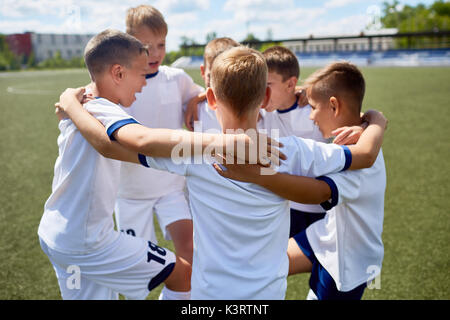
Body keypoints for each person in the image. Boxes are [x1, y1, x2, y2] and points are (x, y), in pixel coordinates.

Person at [57, 47, 387, 299]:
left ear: (211, 99)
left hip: (209, 294)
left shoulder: (191, 153)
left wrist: (75, 106)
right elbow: (364, 155)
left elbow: (108, 145)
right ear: (267, 96)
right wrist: (374, 119)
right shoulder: (292, 151)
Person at [39, 30, 276, 300]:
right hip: (88, 242)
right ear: (118, 73)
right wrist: (222, 142)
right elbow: (143, 139)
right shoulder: (101, 108)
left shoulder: (81, 106)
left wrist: (70, 102)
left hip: (59, 233)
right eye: (141, 74)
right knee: (182, 275)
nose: (143, 84)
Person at [215, 61, 387, 300]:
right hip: (324, 235)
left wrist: (256, 176)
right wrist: (374, 119)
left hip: (347, 260)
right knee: (259, 264)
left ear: (334, 106)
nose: (311, 115)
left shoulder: (362, 154)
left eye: (314, 107)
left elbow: (319, 193)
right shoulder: (357, 135)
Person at [115, 5, 203, 273]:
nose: (154, 53)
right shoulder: (119, 82)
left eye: (161, 44)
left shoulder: (176, 78)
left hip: (171, 186)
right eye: (145, 46)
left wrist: (196, 98)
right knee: (136, 266)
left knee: (189, 249)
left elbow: (204, 95)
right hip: (131, 192)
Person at [260, 46, 366, 237]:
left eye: (267, 84)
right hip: (283, 207)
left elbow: (351, 117)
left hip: (323, 209)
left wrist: (367, 124)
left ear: (291, 84)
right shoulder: (260, 113)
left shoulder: (313, 110)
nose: (262, 91)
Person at [185, 37, 240, 133]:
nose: (218, 85)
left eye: (227, 77)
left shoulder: (253, 107)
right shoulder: (196, 109)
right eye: (212, 76)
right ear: (203, 71)